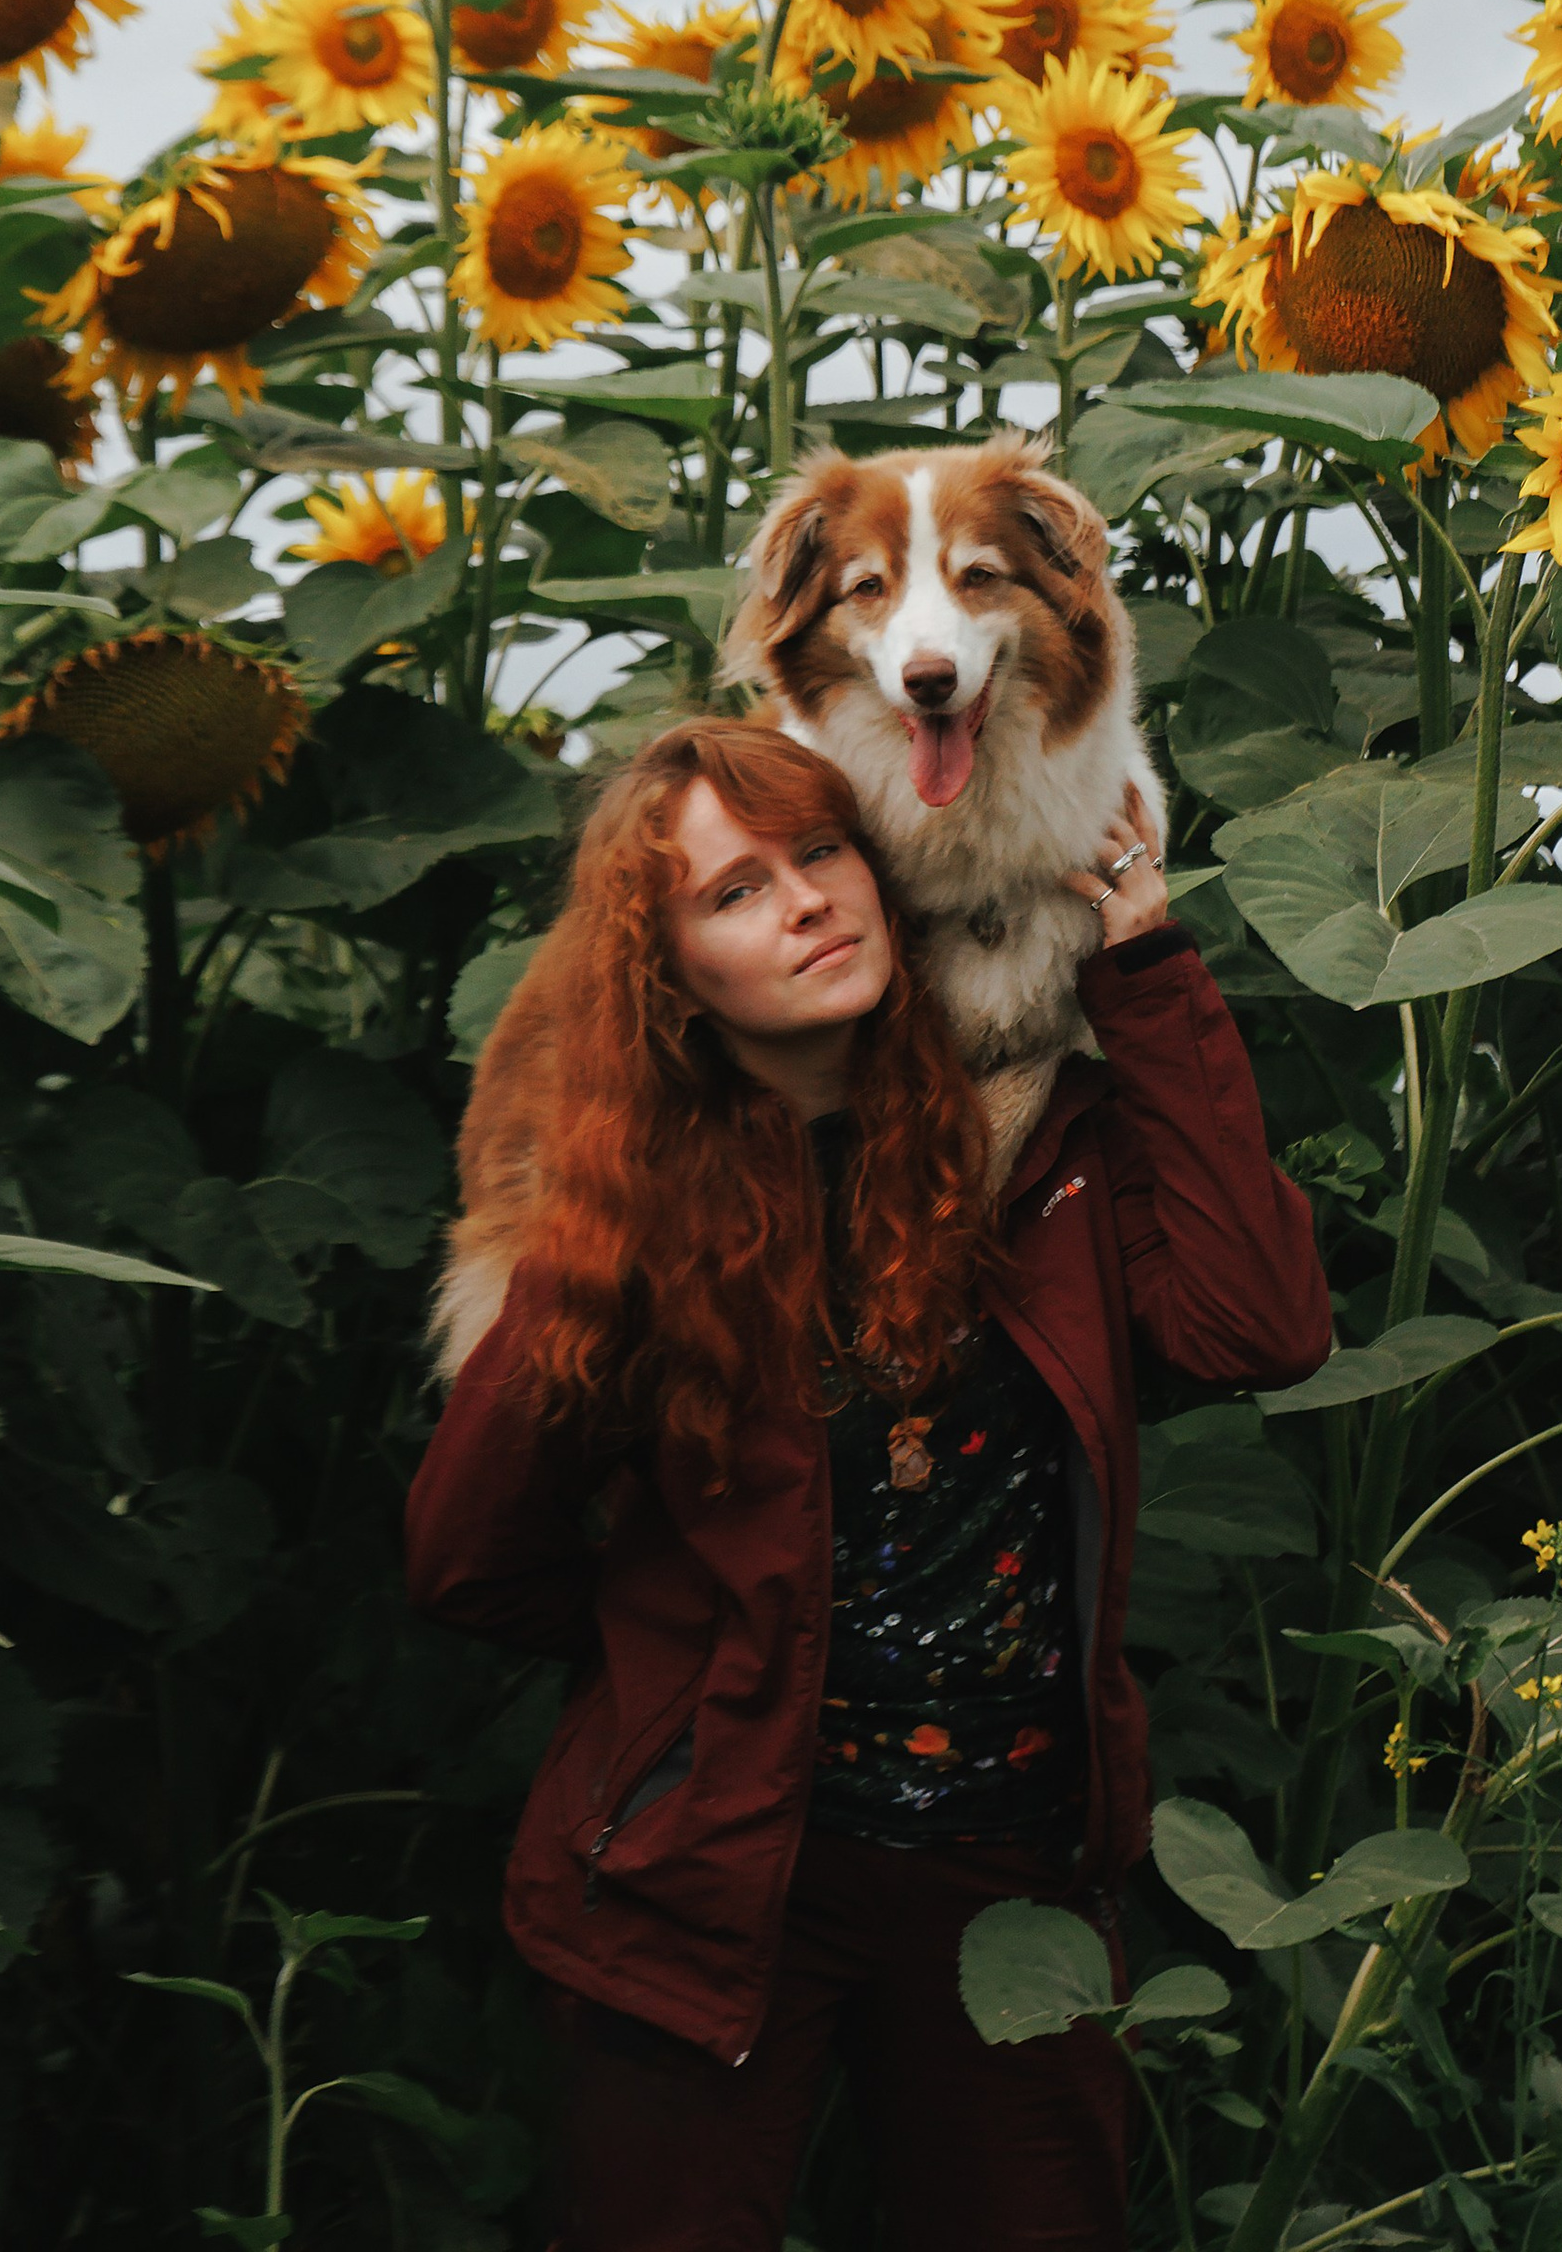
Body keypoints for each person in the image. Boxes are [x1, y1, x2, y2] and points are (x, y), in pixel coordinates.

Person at [405, 716, 1331, 2252]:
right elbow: (464, 1551)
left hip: (1011, 1873)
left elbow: (1261, 1328)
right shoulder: (630, 1216)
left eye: (821, 852)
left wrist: (1144, 967)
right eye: (734, 894)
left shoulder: (1042, 1157)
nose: (806, 904)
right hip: (721, 1877)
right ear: (676, 973)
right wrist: (697, 1670)